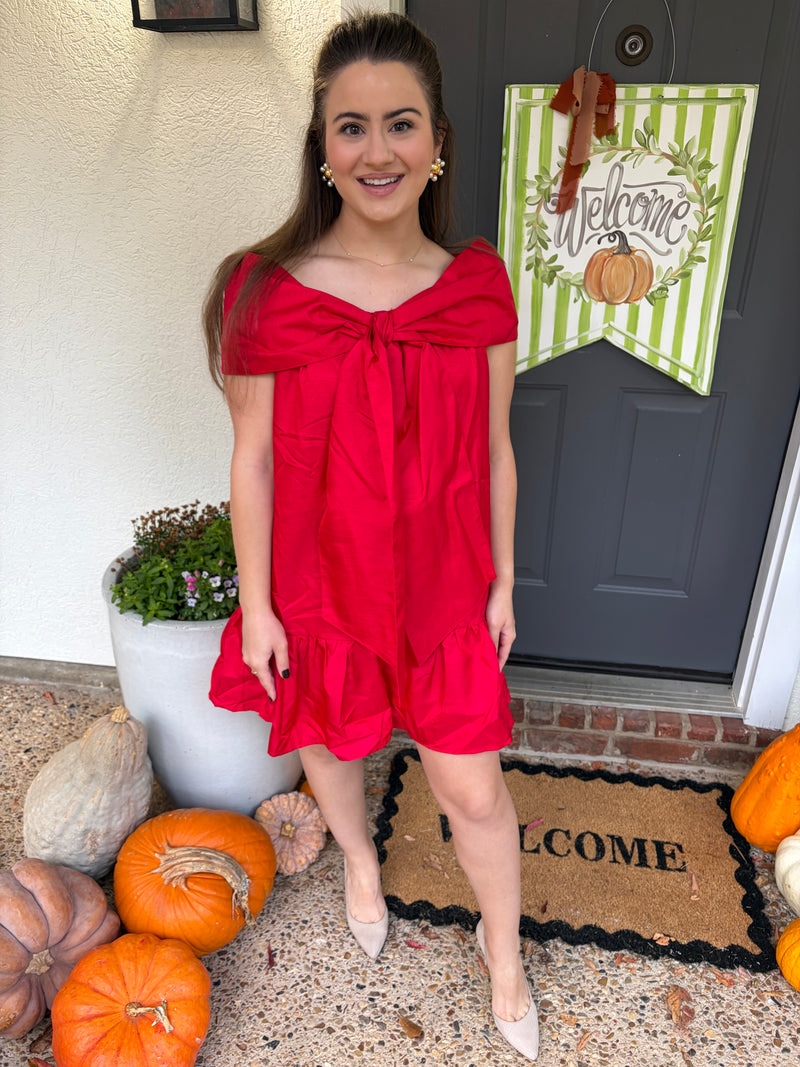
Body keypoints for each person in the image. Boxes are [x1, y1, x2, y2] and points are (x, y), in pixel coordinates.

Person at [204, 11, 538, 1061]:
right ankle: (357, 860)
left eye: (401, 123)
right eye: (351, 126)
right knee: (337, 747)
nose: (376, 150)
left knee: (471, 786)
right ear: (322, 146)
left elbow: (495, 448)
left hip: (445, 587)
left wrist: (503, 580)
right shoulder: (264, 292)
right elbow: (253, 461)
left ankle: (502, 953)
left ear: (437, 141)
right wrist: (260, 605)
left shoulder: (476, 286)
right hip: (321, 583)